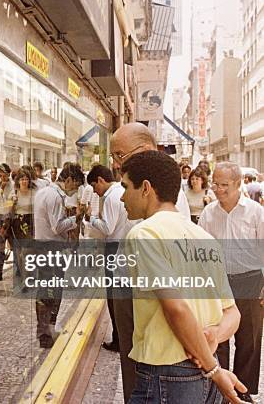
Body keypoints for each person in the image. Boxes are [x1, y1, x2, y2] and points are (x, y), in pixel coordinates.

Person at [120, 151, 246, 404]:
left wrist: (213, 369)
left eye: (125, 187)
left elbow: (176, 307)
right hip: (200, 374)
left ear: (146, 188)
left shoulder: (145, 234)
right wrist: (214, 337)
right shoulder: (203, 237)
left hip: (167, 374)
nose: (122, 197)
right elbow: (233, 313)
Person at [109, 122, 192, 402]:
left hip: (145, 291)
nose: (115, 163)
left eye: (119, 155)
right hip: (130, 286)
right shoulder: (131, 185)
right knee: (134, 366)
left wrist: (215, 369)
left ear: (144, 149)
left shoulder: (163, 191)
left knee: (144, 370)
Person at [198, 162, 264, 400]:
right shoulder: (209, 213)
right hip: (218, 283)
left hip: (251, 281)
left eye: (224, 185)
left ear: (238, 185)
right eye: (215, 183)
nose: (218, 189)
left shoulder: (256, 212)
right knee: (218, 338)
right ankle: (221, 390)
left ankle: (243, 392)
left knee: (249, 340)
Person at [32, 164, 81, 348]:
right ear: (68, 180)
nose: (73, 191)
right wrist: (75, 219)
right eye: (74, 187)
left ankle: (45, 331)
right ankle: (46, 333)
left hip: (42, 245)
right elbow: (57, 226)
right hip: (52, 248)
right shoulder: (54, 196)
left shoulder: (43, 192)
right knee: (51, 291)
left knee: (45, 290)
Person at [85, 165, 132, 352]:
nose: (95, 192)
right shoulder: (121, 191)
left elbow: (108, 228)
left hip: (114, 247)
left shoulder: (112, 197)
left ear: (101, 180)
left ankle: (118, 339)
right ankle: (123, 337)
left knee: (113, 296)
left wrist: (91, 218)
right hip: (123, 245)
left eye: (95, 187)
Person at [0, 163, 14, 284]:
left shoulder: (13, 185)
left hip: (10, 218)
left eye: (5, 175)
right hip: (0, 217)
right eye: (1, 175)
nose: (3, 177)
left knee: (15, 246)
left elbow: (11, 203)